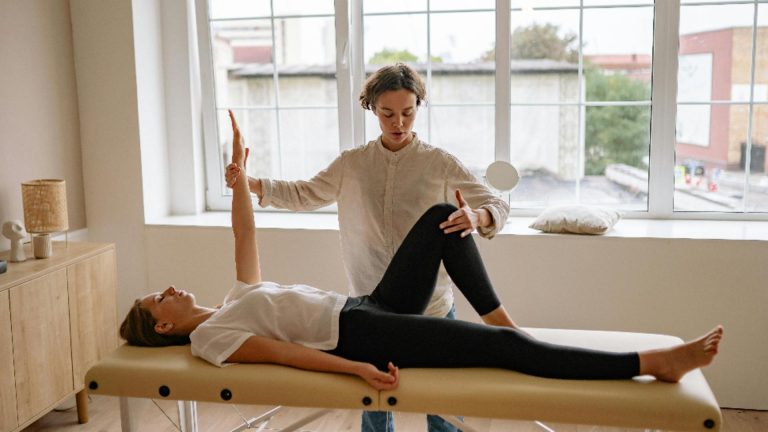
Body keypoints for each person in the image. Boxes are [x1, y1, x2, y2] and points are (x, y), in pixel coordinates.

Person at [121, 111, 724, 405]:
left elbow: (243, 236)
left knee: (442, 216)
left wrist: (240, 172)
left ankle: (498, 316)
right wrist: (356, 370)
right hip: (360, 337)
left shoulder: (232, 301)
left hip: (367, 306)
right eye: (158, 298)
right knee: (507, 353)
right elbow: (287, 355)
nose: (168, 288)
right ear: (164, 326)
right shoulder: (211, 339)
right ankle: (651, 363)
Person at [226, 64, 511, 431]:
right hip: (372, 308)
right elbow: (304, 193)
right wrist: (249, 182)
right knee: (374, 402)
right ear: (372, 108)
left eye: (407, 112)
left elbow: (497, 204)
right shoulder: (353, 163)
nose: (399, 123)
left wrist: (478, 216)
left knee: (443, 406)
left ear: (418, 106)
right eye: (388, 113)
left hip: (434, 308)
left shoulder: (439, 164)